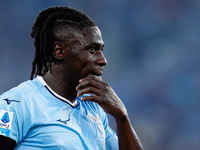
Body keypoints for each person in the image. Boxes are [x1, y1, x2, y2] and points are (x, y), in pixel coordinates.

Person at [0, 6, 143, 150]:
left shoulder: (94, 108)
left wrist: (121, 117)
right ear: (59, 51)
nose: (103, 60)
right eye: (92, 49)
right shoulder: (16, 103)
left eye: (101, 50)